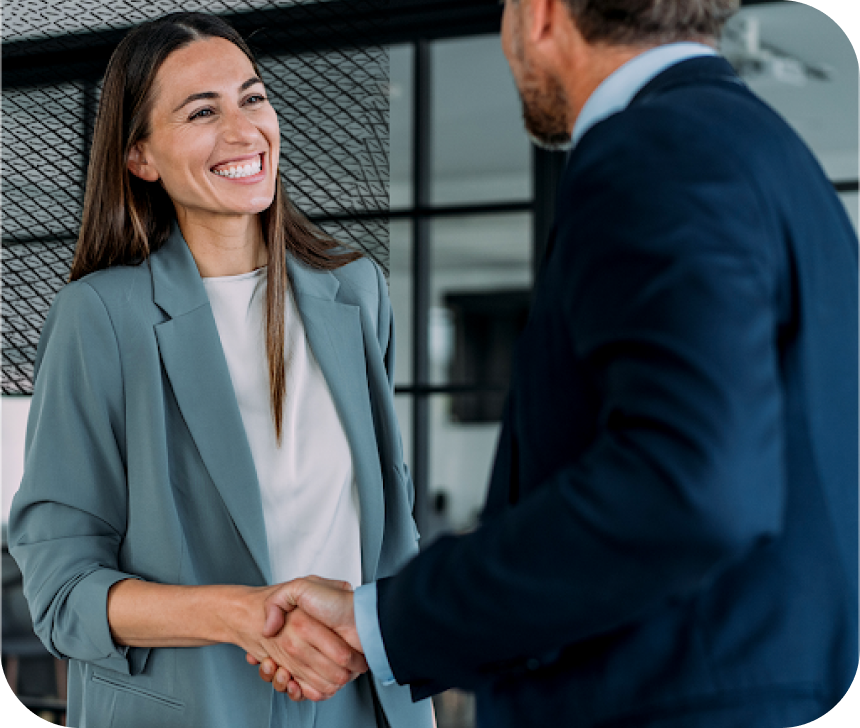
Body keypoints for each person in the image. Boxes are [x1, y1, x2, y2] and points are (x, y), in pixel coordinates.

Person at [253, 0, 860, 726]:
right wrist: (375, 619)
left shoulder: (654, 151)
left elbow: (692, 487)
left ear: (541, 14)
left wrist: (391, 619)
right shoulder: (778, 158)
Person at [7, 12, 433, 728]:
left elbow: (392, 528)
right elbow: (62, 592)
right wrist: (246, 616)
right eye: (202, 112)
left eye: (252, 98)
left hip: (361, 703)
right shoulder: (101, 316)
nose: (243, 130)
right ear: (141, 156)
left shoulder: (357, 292)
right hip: (196, 708)